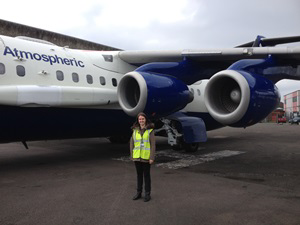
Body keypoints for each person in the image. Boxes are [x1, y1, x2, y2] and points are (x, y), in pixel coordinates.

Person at [130, 112, 156, 202]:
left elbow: (153, 145)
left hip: (146, 157)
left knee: (146, 176)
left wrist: (152, 157)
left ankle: (147, 194)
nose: (141, 120)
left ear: (145, 120)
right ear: (138, 120)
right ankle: (138, 193)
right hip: (137, 157)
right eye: (139, 119)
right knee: (139, 175)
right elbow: (132, 144)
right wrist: (132, 155)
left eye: (142, 119)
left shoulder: (150, 131)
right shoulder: (135, 130)